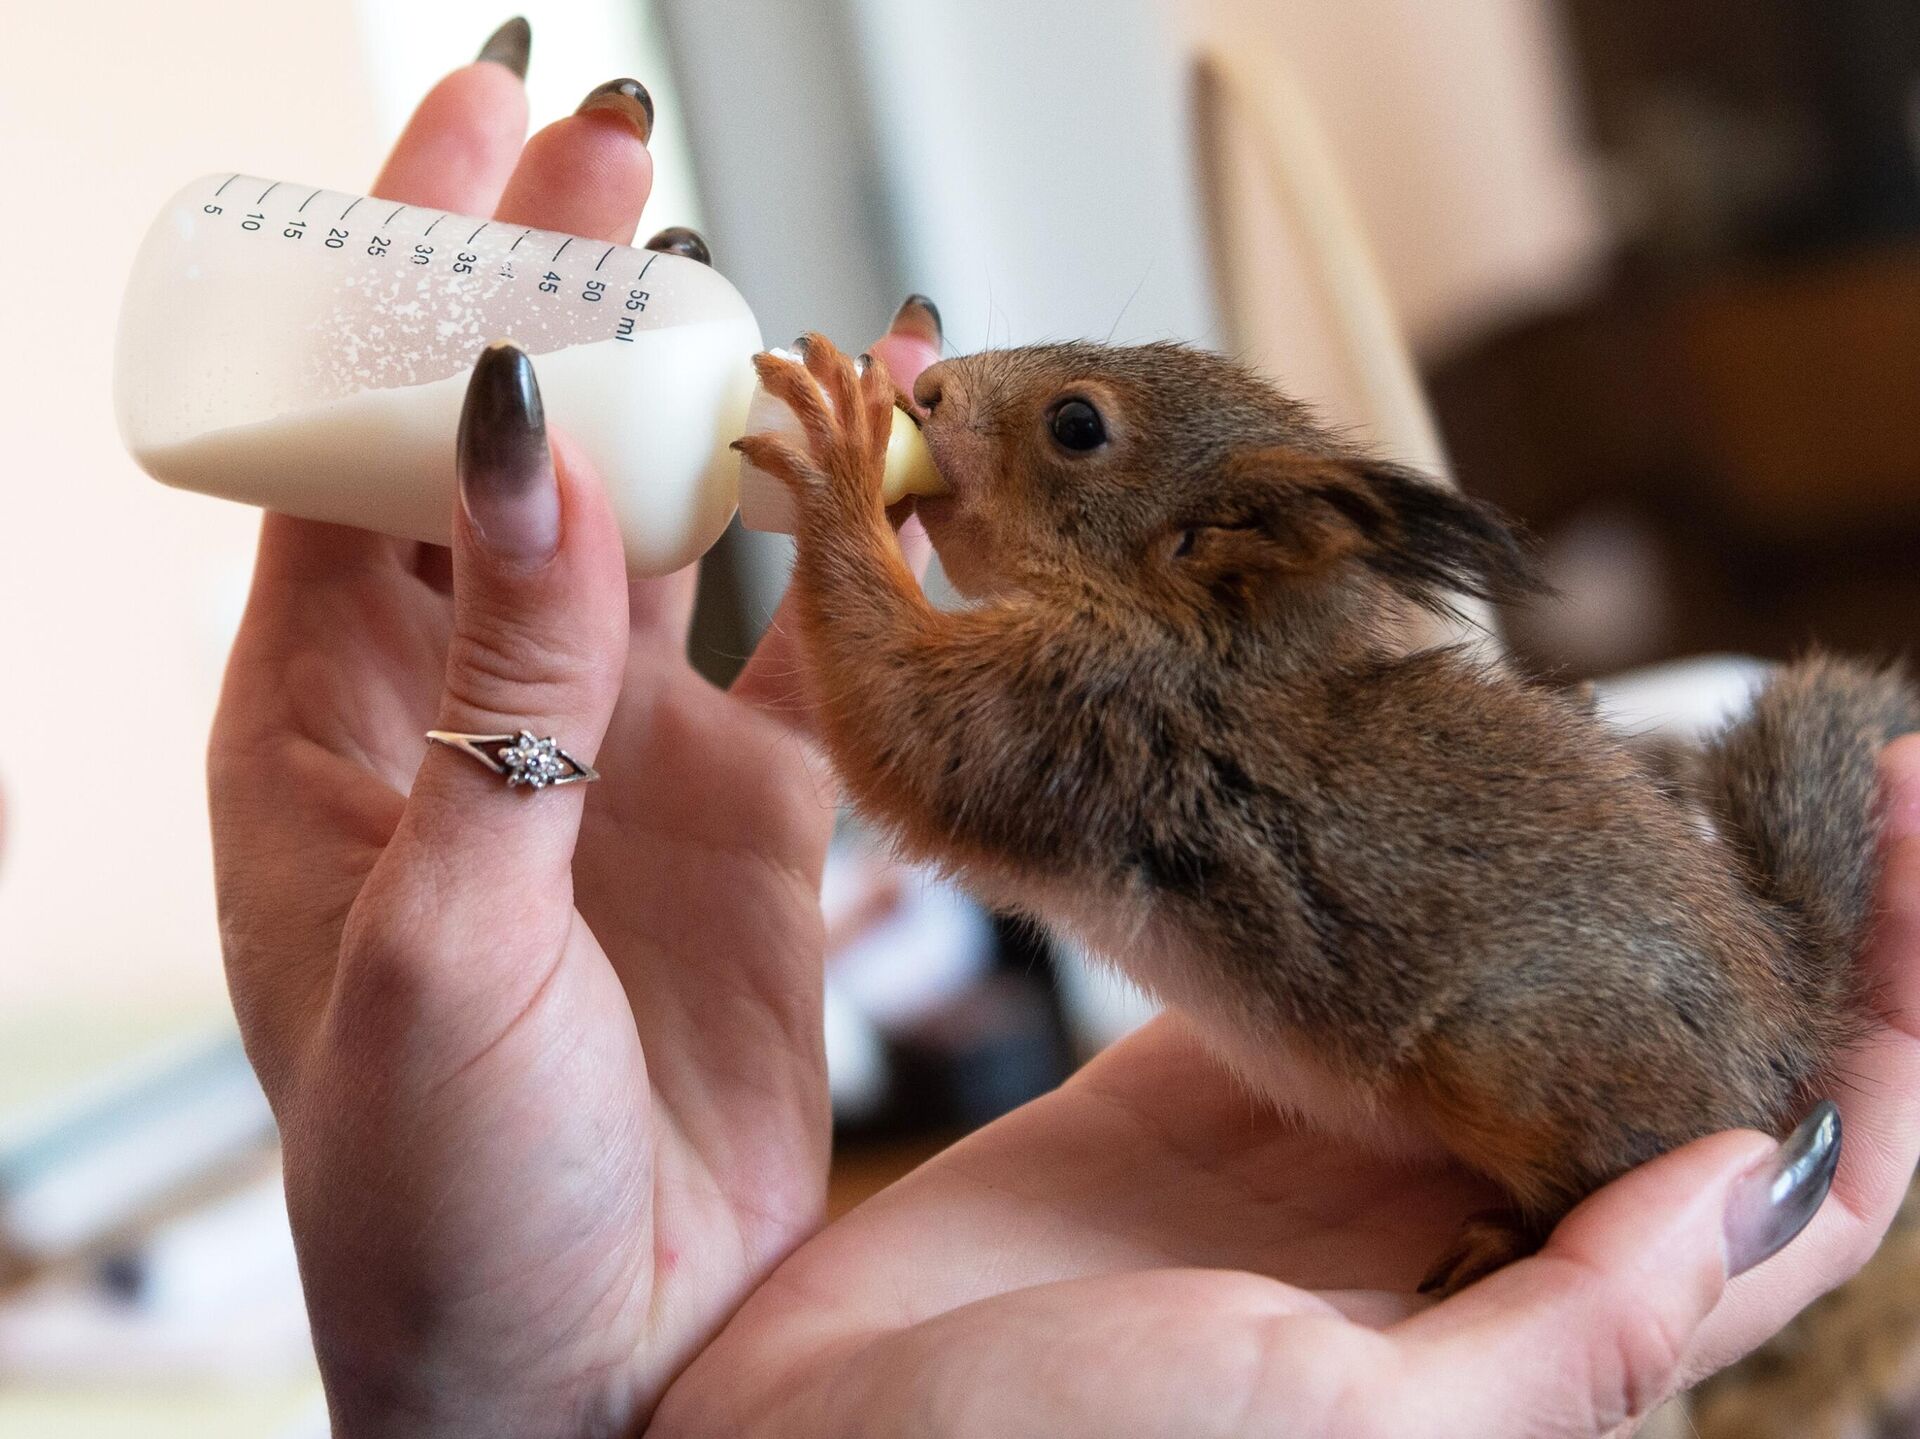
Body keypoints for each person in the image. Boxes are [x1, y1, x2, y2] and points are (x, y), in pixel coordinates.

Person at [208, 28, 1920, 1438]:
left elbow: (910, 759)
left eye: (1071, 432)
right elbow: (915, 748)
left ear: (1207, 552)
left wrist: (842, 520)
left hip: (1582, 1047)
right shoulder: (1121, 677)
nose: (955, 404)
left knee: (1508, 1042)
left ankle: (1570, 1182)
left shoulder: (1131, 680)